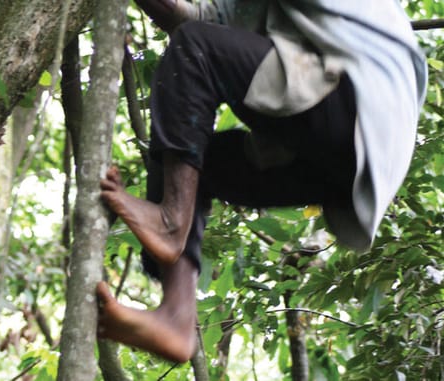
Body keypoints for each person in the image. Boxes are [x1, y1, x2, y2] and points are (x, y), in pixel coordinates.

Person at [96, 0, 427, 363]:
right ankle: (176, 317)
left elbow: (196, 34)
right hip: (348, 163)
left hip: (357, 104)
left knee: (194, 47)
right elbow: (196, 19)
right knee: (195, 157)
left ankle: (170, 220)